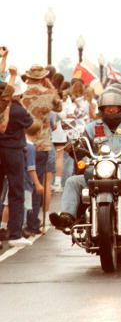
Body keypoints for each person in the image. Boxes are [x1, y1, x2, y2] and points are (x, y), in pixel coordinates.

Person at [49, 87, 121, 231]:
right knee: (72, 182)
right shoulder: (92, 127)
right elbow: (82, 143)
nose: (110, 110)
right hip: (97, 172)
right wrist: (74, 148)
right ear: (101, 108)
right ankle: (67, 217)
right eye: (107, 107)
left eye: (114, 108)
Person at [20, 65, 62, 236]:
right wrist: (51, 86)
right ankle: (33, 222)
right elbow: (59, 107)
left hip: (22, 142)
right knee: (38, 183)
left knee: (20, 184)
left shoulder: (21, 94)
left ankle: (17, 221)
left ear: (29, 77)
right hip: (42, 143)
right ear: (43, 78)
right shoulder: (48, 94)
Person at [0, 76, 34, 247]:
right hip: (13, 151)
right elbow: (30, 123)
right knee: (16, 193)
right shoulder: (17, 110)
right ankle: (15, 233)